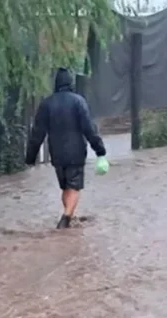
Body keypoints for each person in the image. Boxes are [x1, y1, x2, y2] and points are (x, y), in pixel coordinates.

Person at [25, 68, 107, 229]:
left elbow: (37, 132)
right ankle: (66, 218)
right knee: (74, 186)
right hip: (76, 153)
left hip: (57, 154)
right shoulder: (78, 101)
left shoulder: (46, 104)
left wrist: (30, 156)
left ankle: (69, 216)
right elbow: (89, 128)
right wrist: (100, 150)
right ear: (71, 83)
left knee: (65, 187)